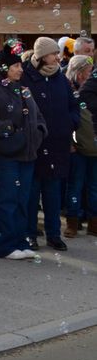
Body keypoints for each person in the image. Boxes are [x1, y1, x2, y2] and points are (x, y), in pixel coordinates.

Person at [0, 43, 46, 260]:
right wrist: (13, 130)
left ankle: (19, 240)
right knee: (6, 200)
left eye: (19, 65)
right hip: (5, 155)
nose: (19, 69)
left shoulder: (23, 90)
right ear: (4, 68)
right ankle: (5, 245)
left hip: (27, 155)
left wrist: (37, 134)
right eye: (15, 66)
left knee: (22, 199)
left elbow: (38, 118)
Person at [23, 36, 79, 251]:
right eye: (53, 53)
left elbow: (74, 106)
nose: (58, 57)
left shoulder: (60, 78)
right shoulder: (26, 78)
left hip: (58, 144)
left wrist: (69, 123)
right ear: (41, 55)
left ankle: (54, 235)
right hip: (35, 145)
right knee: (32, 194)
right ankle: (30, 234)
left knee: (53, 195)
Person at [66, 54, 97, 237]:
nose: (90, 73)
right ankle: (72, 221)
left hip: (93, 146)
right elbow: (67, 120)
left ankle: (93, 222)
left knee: (94, 186)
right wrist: (69, 142)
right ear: (78, 72)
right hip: (77, 146)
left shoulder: (91, 90)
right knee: (75, 185)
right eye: (87, 70)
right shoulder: (70, 91)